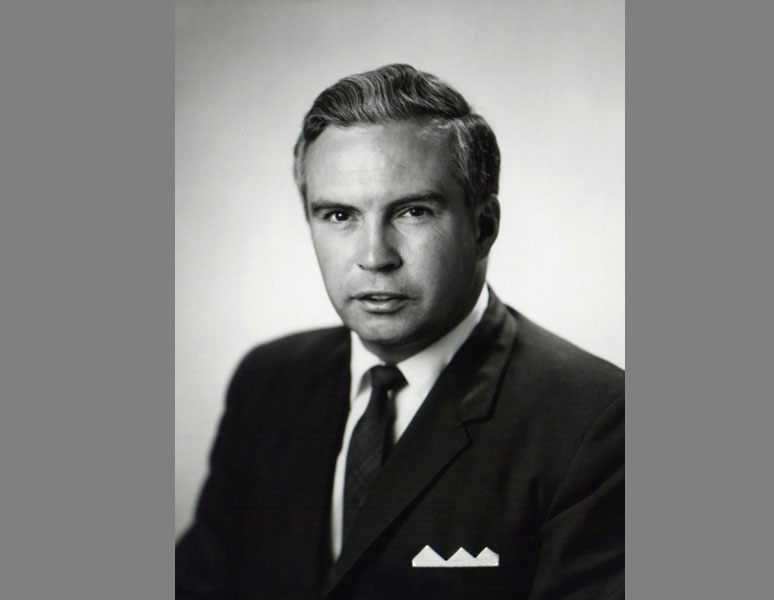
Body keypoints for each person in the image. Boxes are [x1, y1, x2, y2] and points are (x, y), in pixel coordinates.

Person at [176, 64, 624, 600]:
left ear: (483, 227)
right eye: (339, 215)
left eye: (413, 211)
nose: (374, 256)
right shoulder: (269, 381)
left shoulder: (595, 420)